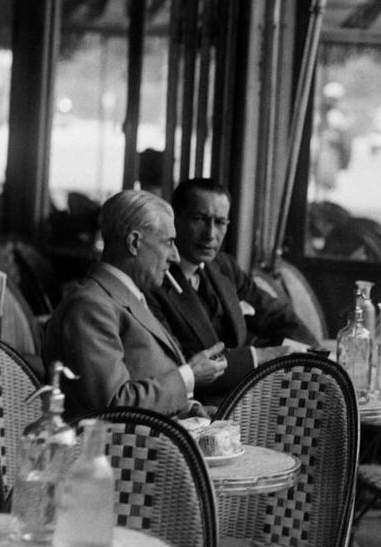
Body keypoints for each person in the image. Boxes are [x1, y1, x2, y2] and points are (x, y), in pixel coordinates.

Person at [42, 189, 226, 418]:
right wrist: (189, 375)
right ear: (135, 242)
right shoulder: (90, 306)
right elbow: (112, 405)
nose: (176, 256)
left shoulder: (128, 298)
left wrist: (188, 410)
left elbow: (144, 379)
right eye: (168, 243)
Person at [146, 177, 320, 407]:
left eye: (219, 222)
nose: (210, 234)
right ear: (175, 220)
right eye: (199, 219)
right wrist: (260, 357)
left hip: (250, 397)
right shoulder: (156, 280)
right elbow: (183, 366)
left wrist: (315, 353)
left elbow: (275, 313)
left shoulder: (223, 266)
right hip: (200, 407)